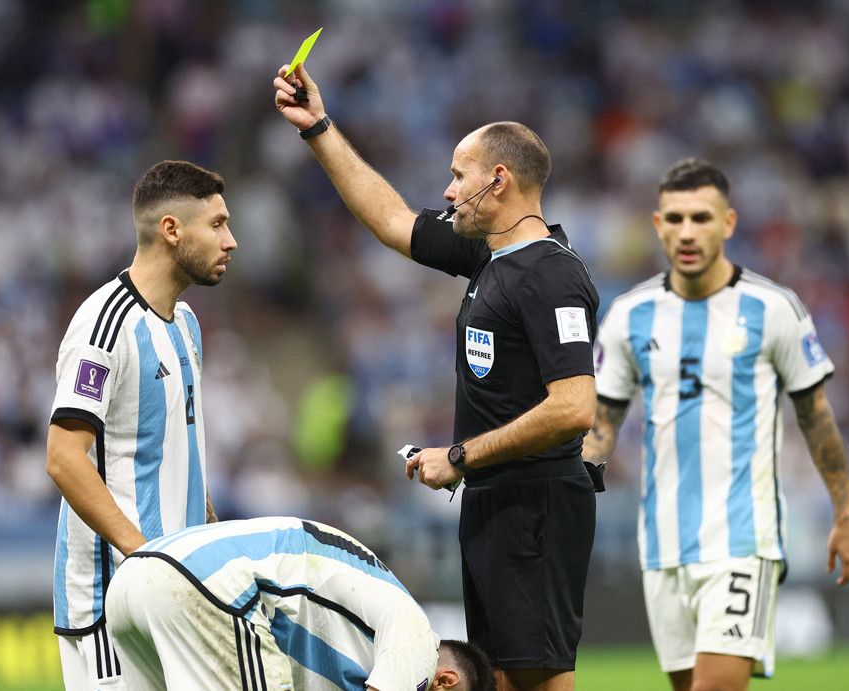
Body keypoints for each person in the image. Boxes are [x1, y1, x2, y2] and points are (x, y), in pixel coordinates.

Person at [273, 66, 599, 691]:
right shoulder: (492, 255)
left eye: (459, 175)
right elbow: (393, 220)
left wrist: (459, 455)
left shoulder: (550, 275)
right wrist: (319, 128)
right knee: (501, 679)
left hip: (535, 504)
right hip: (497, 501)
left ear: (497, 180)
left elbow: (574, 407)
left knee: (538, 681)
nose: (448, 192)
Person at [583, 158, 849, 690]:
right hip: (662, 542)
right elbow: (602, 425)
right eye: (675, 218)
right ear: (657, 225)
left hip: (742, 537)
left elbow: (816, 417)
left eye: (701, 217)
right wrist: (572, 488)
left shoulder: (773, 308)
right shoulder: (627, 315)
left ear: (729, 223)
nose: (687, 231)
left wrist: (846, 512)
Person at [45, 160, 238, 689]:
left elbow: (182, 458)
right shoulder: (105, 325)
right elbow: (64, 458)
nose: (232, 241)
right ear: (171, 231)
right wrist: (146, 556)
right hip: (114, 605)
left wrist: (214, 560)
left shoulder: (188, 324)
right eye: (218, 225)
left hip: (174, 591)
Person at [105, 516, 496, 691]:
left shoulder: (372, 624)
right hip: (214, 588)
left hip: (135, 577)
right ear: (446, 681)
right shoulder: (418, 638)